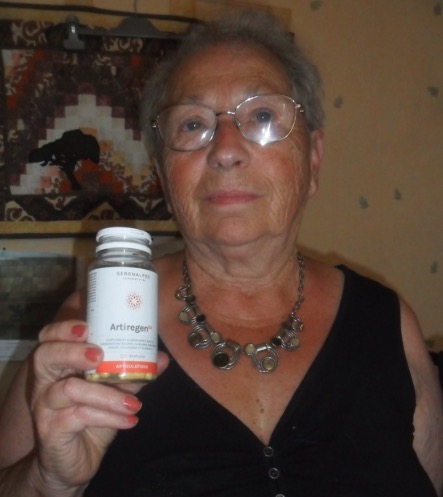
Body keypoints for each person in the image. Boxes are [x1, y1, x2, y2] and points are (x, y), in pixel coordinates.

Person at [0, 9, 442, 497]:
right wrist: (47, 480)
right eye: (193, 124)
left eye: (263, 116)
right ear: (165, 178)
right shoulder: (90, 322)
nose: (225, 150)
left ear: (313, 160)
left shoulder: (389, 323)